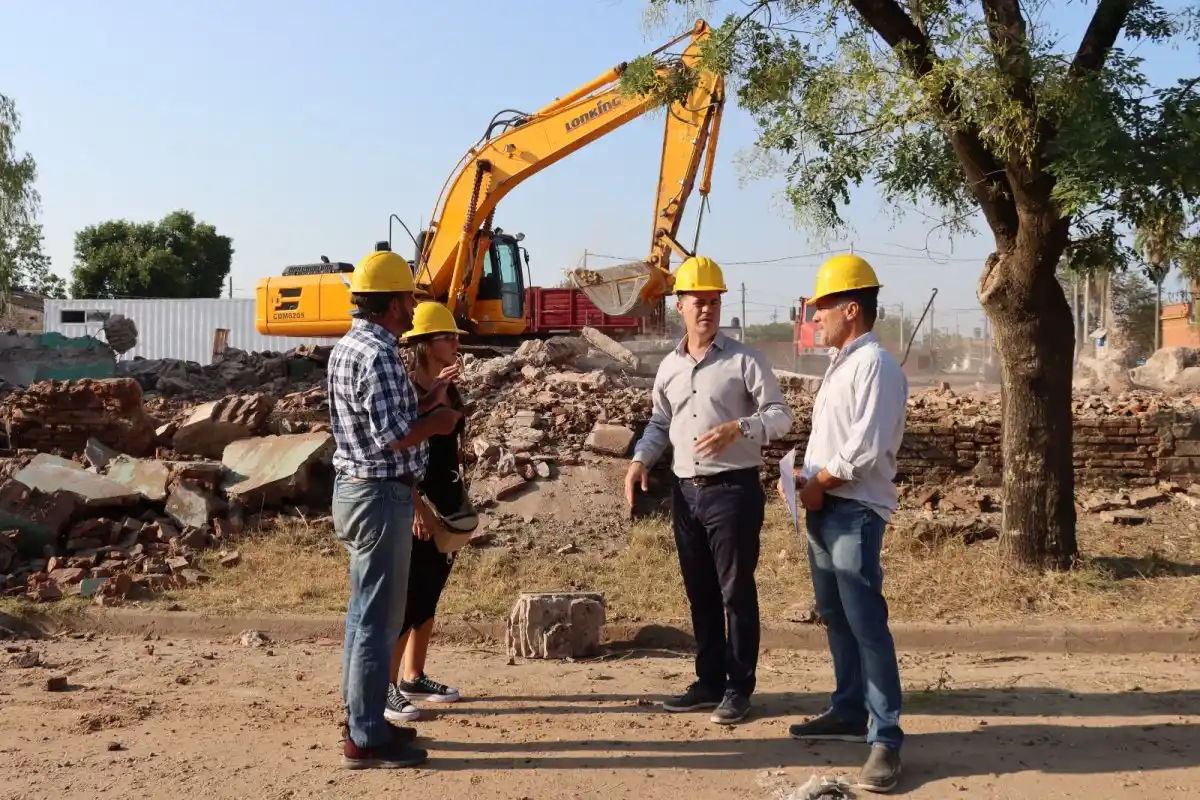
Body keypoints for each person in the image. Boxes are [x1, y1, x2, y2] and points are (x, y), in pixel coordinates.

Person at [624, 255, 793, 725]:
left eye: (714, 301)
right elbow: (660, 421)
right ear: (679, 305)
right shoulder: (669, 368)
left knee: (735, 591)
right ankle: (709, 681)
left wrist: (739, 427)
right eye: (699, 301)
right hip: (686, 492)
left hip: (732, 491)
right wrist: (641, 460)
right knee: (699, 591)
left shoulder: (745, 360)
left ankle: (739, 687)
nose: (707, 310)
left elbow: (782, 416)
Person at [327, 248, 462, 770]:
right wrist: (439, 422)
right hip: (380, 496)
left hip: (358, 491)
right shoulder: (381, 354)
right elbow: (393, 435)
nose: (412, 309)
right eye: (409, 297)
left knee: (363, 617)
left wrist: (429, 400)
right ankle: (365, 736)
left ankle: (363, 720)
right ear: (393, 302)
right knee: (378, 623)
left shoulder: (347, 348)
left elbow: (382, 419)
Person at [784, 254, 907, 794]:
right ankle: (849, 708)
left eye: (822, 309)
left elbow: (865, 448)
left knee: (865, 621)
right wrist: (800, 477)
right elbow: (835, 441)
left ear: (850, 309)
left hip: (852, 509)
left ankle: (886, 738)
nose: (816, 319)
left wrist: (819, 483)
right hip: (824, 506)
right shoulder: (842, 364)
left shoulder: (875, 365)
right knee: (835, 614)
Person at [385, 302, 471, 723]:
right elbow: (404, 452)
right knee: (410, 594)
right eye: (448, 337)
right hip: (422, 503)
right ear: (422, 345)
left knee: (432, 588)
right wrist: (418, 506)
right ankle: (386, 686)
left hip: (447, 496)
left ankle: (413, 676)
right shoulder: (406, 392)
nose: (456, 344)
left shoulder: (447, 387)